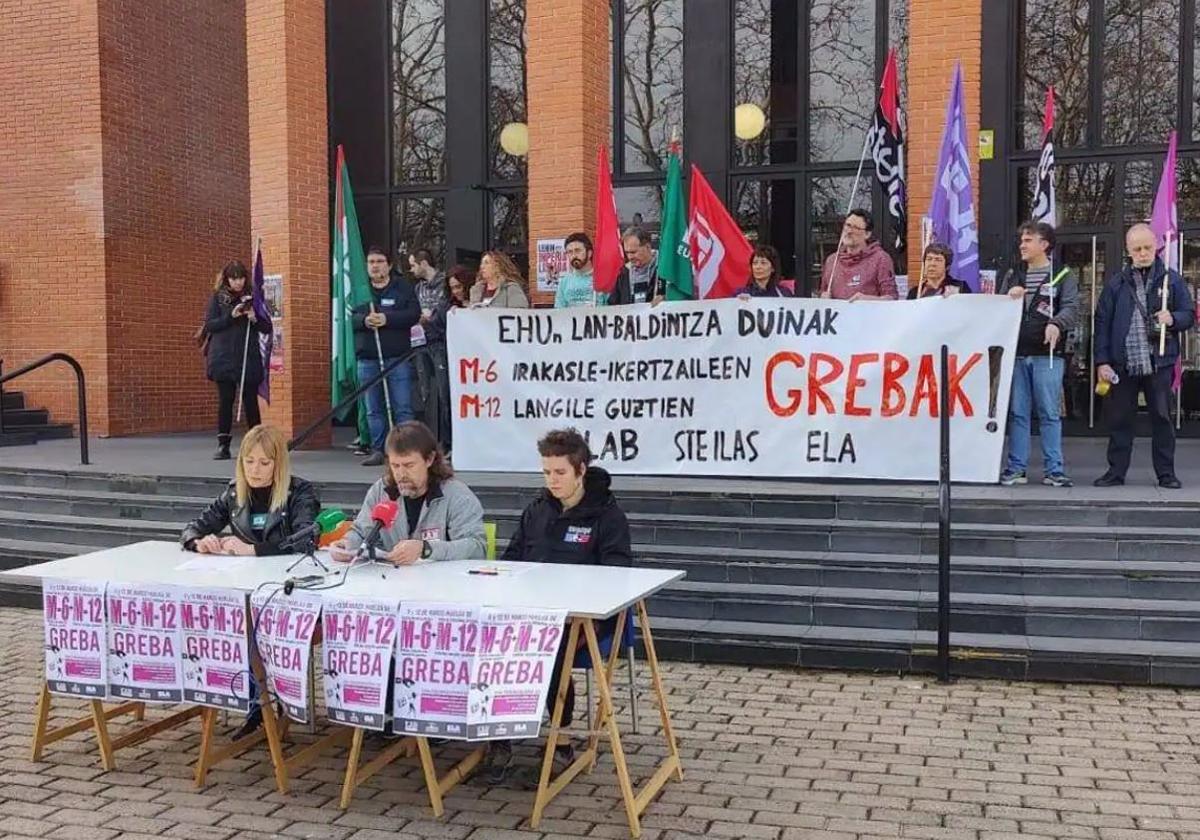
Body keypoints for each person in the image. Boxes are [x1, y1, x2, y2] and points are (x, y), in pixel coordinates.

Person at [480, 429, 632, 785]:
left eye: (559, 473)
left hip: (586, 619)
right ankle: (500, 736)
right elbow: (513, 558)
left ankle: (561, 744)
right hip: (530, 611)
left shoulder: (608, 516)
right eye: (546, 472)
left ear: (580, 470)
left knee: (548, 648)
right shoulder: (536, 511)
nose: (552, 480)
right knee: (490, 641)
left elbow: (618, 573)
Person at [180, 424, 320, 738]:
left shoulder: (300, 492)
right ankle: (250, 703)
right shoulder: (233, 493)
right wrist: (199, 542)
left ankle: (267, 705)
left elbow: (307, 538)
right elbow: (193, 527)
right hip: (240, 592)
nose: (255, 470)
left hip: (285, 596)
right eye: (249, 462)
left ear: (279, 465)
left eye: (264, 463)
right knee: (222, 623)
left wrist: (254, 549)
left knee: (250, 630)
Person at [1093, 224, 1194, 488]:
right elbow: (1102, 324)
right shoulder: (1116, 283)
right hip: (1123, 363)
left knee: (1161, 419)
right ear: (1128, 251)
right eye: (1137, 249)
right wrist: (1102, 361)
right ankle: (1115, 473)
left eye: (1147, 247)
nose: (1143, 253)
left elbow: (1189, 313)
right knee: (1120, 420)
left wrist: (1172, 318)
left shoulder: (1171, 280)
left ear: (1156, 246)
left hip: (1159, 360)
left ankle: (1166, 474)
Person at [328, 421, 486, 565]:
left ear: (429, 459)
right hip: (392, 583)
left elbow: (477, 548)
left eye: (409, 465)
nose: (401, 474)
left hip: (443, 586)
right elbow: (362, 532)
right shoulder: (380, 491)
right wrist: (347, 544)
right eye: (395, 466)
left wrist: (426, 549)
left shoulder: (457, 495)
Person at [997, 221, 1079, 487]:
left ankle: (1054, 470)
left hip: (1048, 356)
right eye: (1021, 240)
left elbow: (1071, 308)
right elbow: (996, 308)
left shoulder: (1063, 274)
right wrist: (1008, 296)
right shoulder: (1014, 274)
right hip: (1017, 354)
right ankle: (1016, 468)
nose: (1022, 244)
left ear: (1044, 245)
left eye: (1028, 240)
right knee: (1018, 413)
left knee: (1049, 413)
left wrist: (1056, 323)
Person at [354, 246, 421, 467]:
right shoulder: (359, 290)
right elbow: (348, 319)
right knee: (373, 407)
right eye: (371, 262)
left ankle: (406, 449)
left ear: (389, 265)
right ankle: (378, 449)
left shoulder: (403, 287)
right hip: (368, 357)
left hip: (397, 356)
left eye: (380, 261)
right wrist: (365, 321)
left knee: (402, 405)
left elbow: (413, 314)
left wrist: (387, 319)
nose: (375, 266)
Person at [203, 260, 272, 460]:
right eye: (234, 278)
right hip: (223, 357)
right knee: (226, 400)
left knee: (250, 401)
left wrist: (254, 318)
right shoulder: (218, 298)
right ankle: (223, 445)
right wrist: (231, 317)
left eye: (241, 277)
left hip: (246, 357)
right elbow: (210, 325)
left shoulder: (254, 297)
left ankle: (259, 443)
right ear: (227, 279)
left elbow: (267, 328)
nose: (238, 282)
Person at [425, 265, 475, 454]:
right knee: (449, 400)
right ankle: (450, 442)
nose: (456, 292)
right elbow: (432, 329)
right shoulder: (446, 306)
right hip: (449, 359)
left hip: (476, 363)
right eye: (453, 288)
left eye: (459, 287)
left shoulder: (479, 301)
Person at [819, 209, 897, 301]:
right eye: (847, 225)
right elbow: (822, 293)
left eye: (855, 228)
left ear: (867, 234)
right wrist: (823, 298)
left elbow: (891, 298)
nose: (848, 231)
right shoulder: (832, 260)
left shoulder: (881, 259)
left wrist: (867, 300)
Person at [611, 227, 662, 305]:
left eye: (633, 252)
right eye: (627, 253)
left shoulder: (664, 270)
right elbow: (613, 304)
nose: (630, 257)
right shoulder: (624, 273)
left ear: (648, 247)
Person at [555, 232, 604, 308]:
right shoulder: (564, 282)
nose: (574, 255)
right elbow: (558, 311)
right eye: (570, 252)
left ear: (589, 253)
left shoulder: (603, 279)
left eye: (577, 250)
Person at [907, 242, 972, 299]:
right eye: (929, 259)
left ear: (947, 266)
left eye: (938, 260)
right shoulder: (915, 292)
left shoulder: (960, 287)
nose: (932, 264)